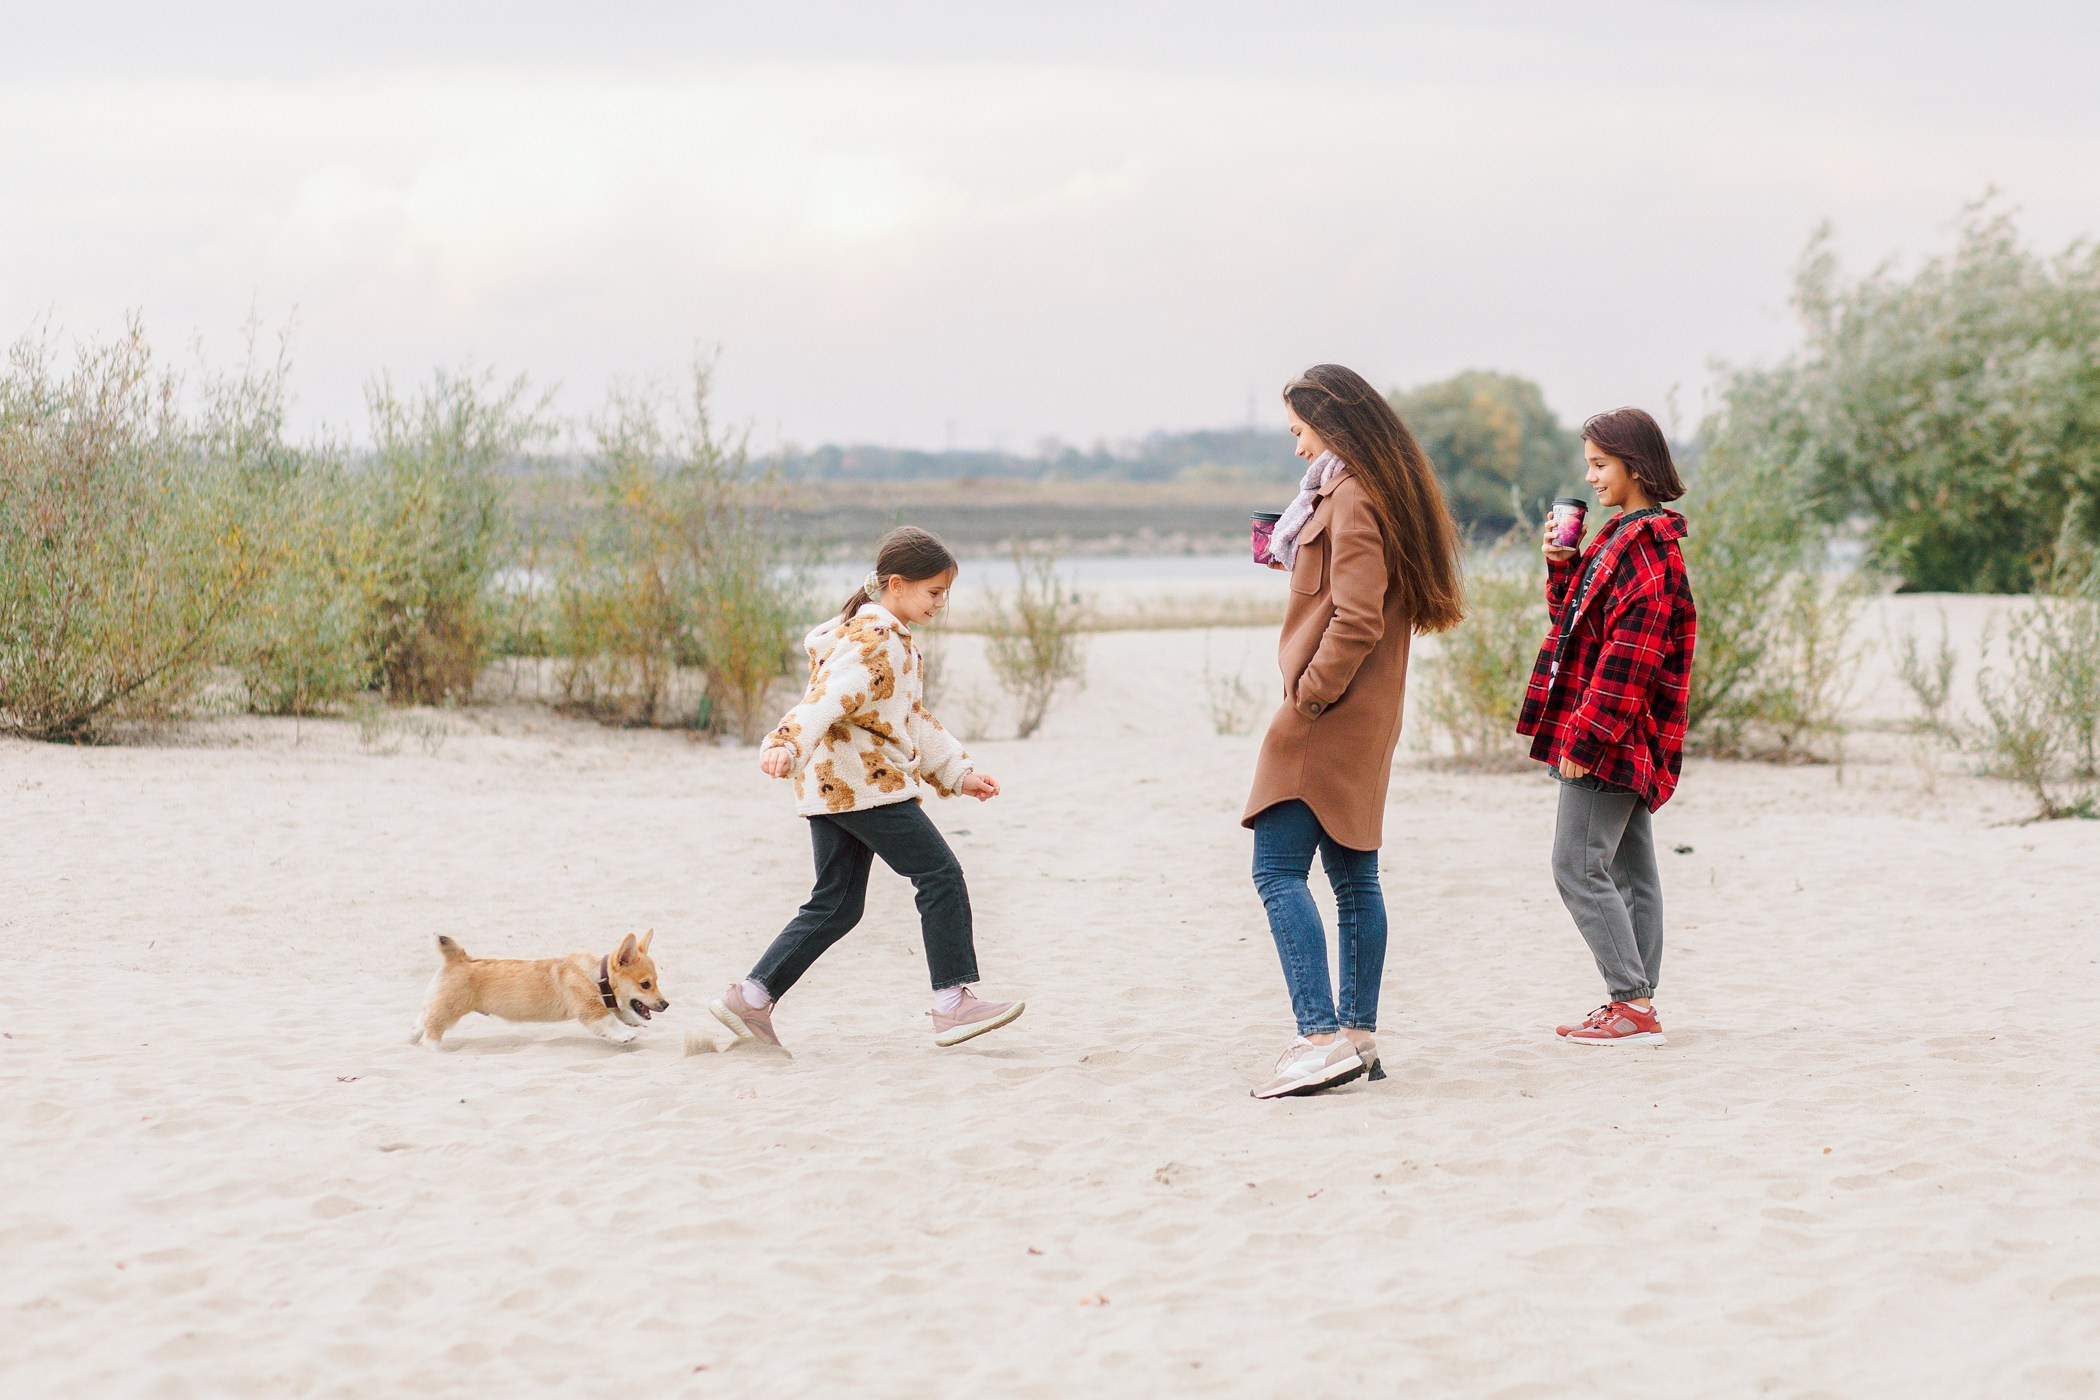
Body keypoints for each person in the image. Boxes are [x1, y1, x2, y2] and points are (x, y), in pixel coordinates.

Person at [709, 526, 1024, 1053]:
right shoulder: (877, 641)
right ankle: (952, 1004)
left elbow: (909, 719)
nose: (941, 604)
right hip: (863, 783)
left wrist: (957, 772)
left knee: (836, 903)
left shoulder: (877, 636)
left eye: (945, 593)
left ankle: (752, 996)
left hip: (833, 788)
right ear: (896, 584)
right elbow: (828, 701)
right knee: (940, 875)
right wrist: (784, 741)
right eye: (934, 592)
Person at [1242, 365, 1465, 1099]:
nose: (1298, 450)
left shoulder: (1354, 497)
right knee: (1352, 876)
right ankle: (1358, 1036)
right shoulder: (1363, 491)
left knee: (1276, 869)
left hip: (1327, 717)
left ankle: (1319, 1034)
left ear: (1331, 427)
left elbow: (1359, 617)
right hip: (1365, 716)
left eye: (1300, 433)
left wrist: (1307, 698)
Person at [1516, 407, 1697, 1046]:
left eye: (1600, 465)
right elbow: (1578, 627)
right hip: (1628, 734)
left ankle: (1631, 1001)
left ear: (1635, 467)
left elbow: (1630, 663)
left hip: (1612, 735)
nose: (1590, 477)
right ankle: (1638, 1003)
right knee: (1629, 872)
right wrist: (1562, 562)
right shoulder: (1625, 538)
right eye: (1589, 465)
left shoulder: (1645, 555)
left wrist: (1583, 740)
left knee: (1576, 867)